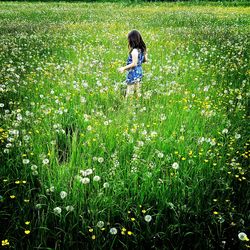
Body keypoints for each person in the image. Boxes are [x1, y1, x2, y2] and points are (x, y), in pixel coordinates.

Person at [118, 30, 148, 98]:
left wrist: (124, 68)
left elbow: (134, 64)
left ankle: (128, 106)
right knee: (137, 90)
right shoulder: (142, 50)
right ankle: (138, 102)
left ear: (132, 40)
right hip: (139, 71)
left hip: (133, 72)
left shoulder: (134, 51)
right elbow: (145, 60)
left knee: (129, 92)